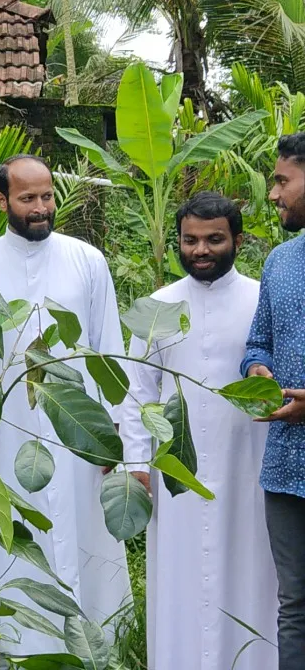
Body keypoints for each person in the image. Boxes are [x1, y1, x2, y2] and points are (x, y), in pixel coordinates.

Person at [0, 154, 131, 658]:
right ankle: (15, 645)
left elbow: (107, 347)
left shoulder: (87, 260)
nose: (41, 207)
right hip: (4, 427)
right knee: (15, 530)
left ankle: (96, 644)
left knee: (84, 531)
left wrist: (114, 434)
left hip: (77, 424)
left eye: (47, 195)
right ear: (3, 200)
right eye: (28, 198)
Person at [119, 193, 277, 669]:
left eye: (213, 239)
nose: (200, 250)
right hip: (177, 474)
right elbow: (137, 392)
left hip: (250, 465)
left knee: (254, 575)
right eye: (190, 240)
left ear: (238, 240)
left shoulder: (259, 299)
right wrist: (136, 463)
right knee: (180, 579)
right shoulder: (155, 308)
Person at [242, 132, 305, 669]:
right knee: (295, 607)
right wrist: (257, 369)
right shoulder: (280, 262)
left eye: (282, 180)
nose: (274, 193)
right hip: (286, 466)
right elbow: (259, 340)